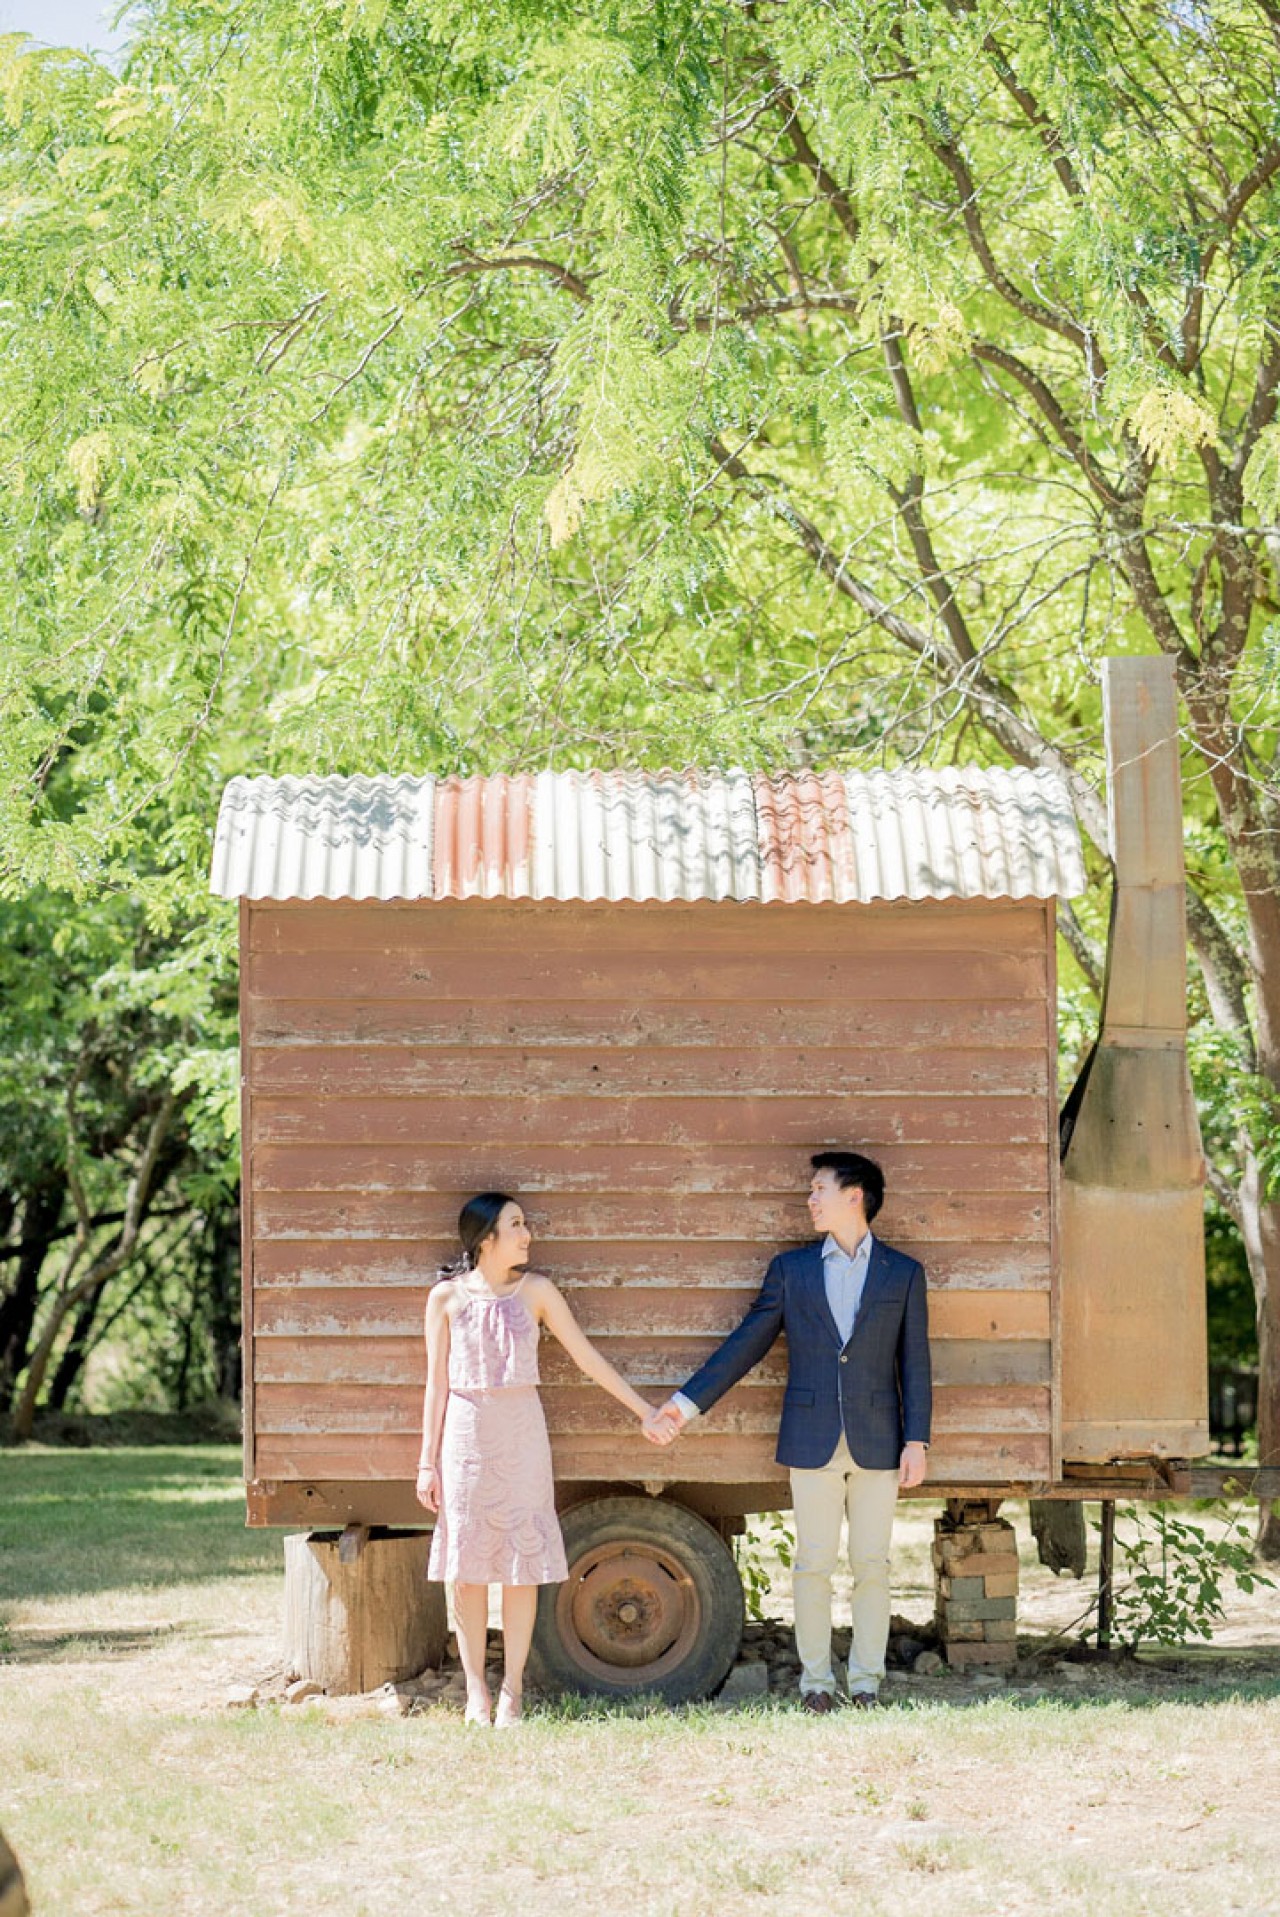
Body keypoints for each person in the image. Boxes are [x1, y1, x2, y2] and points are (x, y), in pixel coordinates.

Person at [647, 1152, 931, 1711]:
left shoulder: (903, 1273)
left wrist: (916, 1440)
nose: (810, 1199)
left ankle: (867, 1682)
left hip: (880, 1438)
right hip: (811, 1436)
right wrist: (684, 1406)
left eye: (819, 1189)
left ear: (854, 1195)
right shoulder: (792, 1270)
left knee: (873, 1565)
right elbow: (747, 1343)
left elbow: (915, 1363)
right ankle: (816, 1683)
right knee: (813, 1564)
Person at [417, 1191, 660, 1727]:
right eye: (517, 1225)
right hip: (465, 1438)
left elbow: (586, 1357)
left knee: (519, 1566)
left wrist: (643, 1409)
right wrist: (426, 1462)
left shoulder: (538, 1292)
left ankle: (513, 1689)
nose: (527, 1235)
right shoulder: (445, 1298)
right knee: (466, 1571)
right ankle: (476, 1691)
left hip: (522, 1434)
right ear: (486, 1238)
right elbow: (435, 1384)